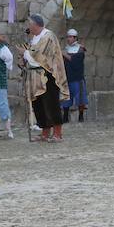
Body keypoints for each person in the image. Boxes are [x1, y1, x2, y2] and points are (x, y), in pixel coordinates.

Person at [23, 13, 70, 143]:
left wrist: (25, 53)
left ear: (35, 25)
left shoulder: (48, 36)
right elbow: (32, 54)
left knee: (51, 103)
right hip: (35, 76)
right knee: (39, 104)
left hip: (48, 75)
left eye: (30, 24)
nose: (28, 27)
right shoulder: (34, 38)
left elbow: (39, 55)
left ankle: (57, 133)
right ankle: (45, 131)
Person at [62, 29, 88, 123]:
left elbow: (76, 62)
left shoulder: (80, 49)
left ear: (75, 38)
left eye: (70, 37)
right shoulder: (65, 48)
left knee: (80, 98)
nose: (68, 39)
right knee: (66, 98)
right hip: (67, 77)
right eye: (67, 37)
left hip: (77, 77)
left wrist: (65, 54)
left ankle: (81, 116)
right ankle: (65, 116)